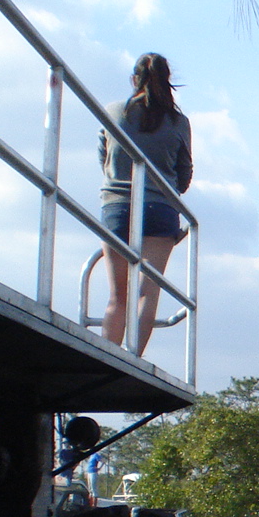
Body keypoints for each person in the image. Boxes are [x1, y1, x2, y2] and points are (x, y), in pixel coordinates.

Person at [97, 52, 193, 352]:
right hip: (160, 210)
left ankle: (106, 356)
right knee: (146, 294)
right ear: (168, 82)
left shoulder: (113, 111)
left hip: (117, 206)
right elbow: (184, 172)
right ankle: (133, 358)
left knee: (118, 296)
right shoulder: (179, 122)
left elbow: (103, 155)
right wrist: (169, 190)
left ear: (133, 79)